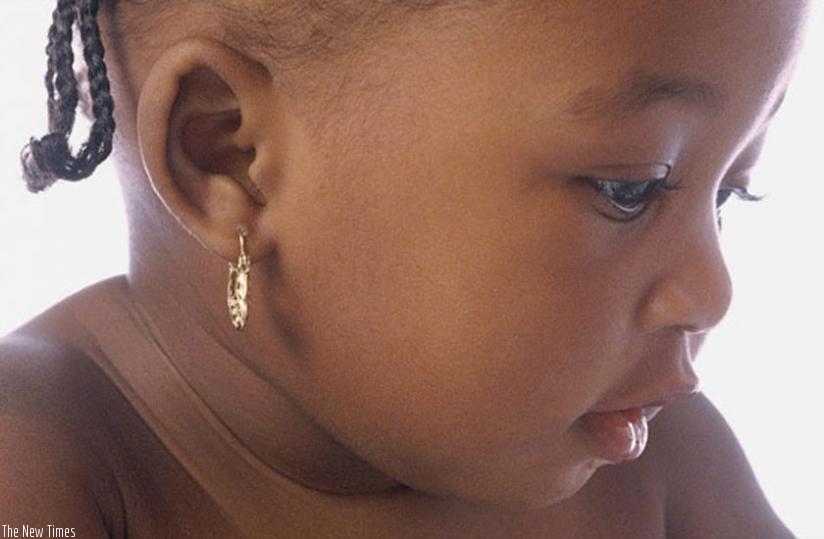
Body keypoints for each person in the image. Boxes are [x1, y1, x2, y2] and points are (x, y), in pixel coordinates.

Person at [0, 0, 807, 536]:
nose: (711, 293)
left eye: (733, 190)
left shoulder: (659, 465)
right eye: (629, 188)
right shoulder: (42, 469)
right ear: (230, 160)